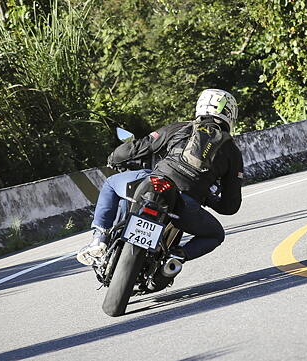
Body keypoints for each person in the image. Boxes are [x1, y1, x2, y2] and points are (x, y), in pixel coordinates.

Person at [77, 89, 244, 266]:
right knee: (215, 234)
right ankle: (177, 257)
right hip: (185, 204)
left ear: (200, 106)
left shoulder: (182, 127)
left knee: (110, 183)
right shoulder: (232, 151)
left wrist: (113, 158)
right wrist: (207, 197)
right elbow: (230, 206)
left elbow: (141, 146)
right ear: (230, 114)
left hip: (155, 181)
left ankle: (99, 239)